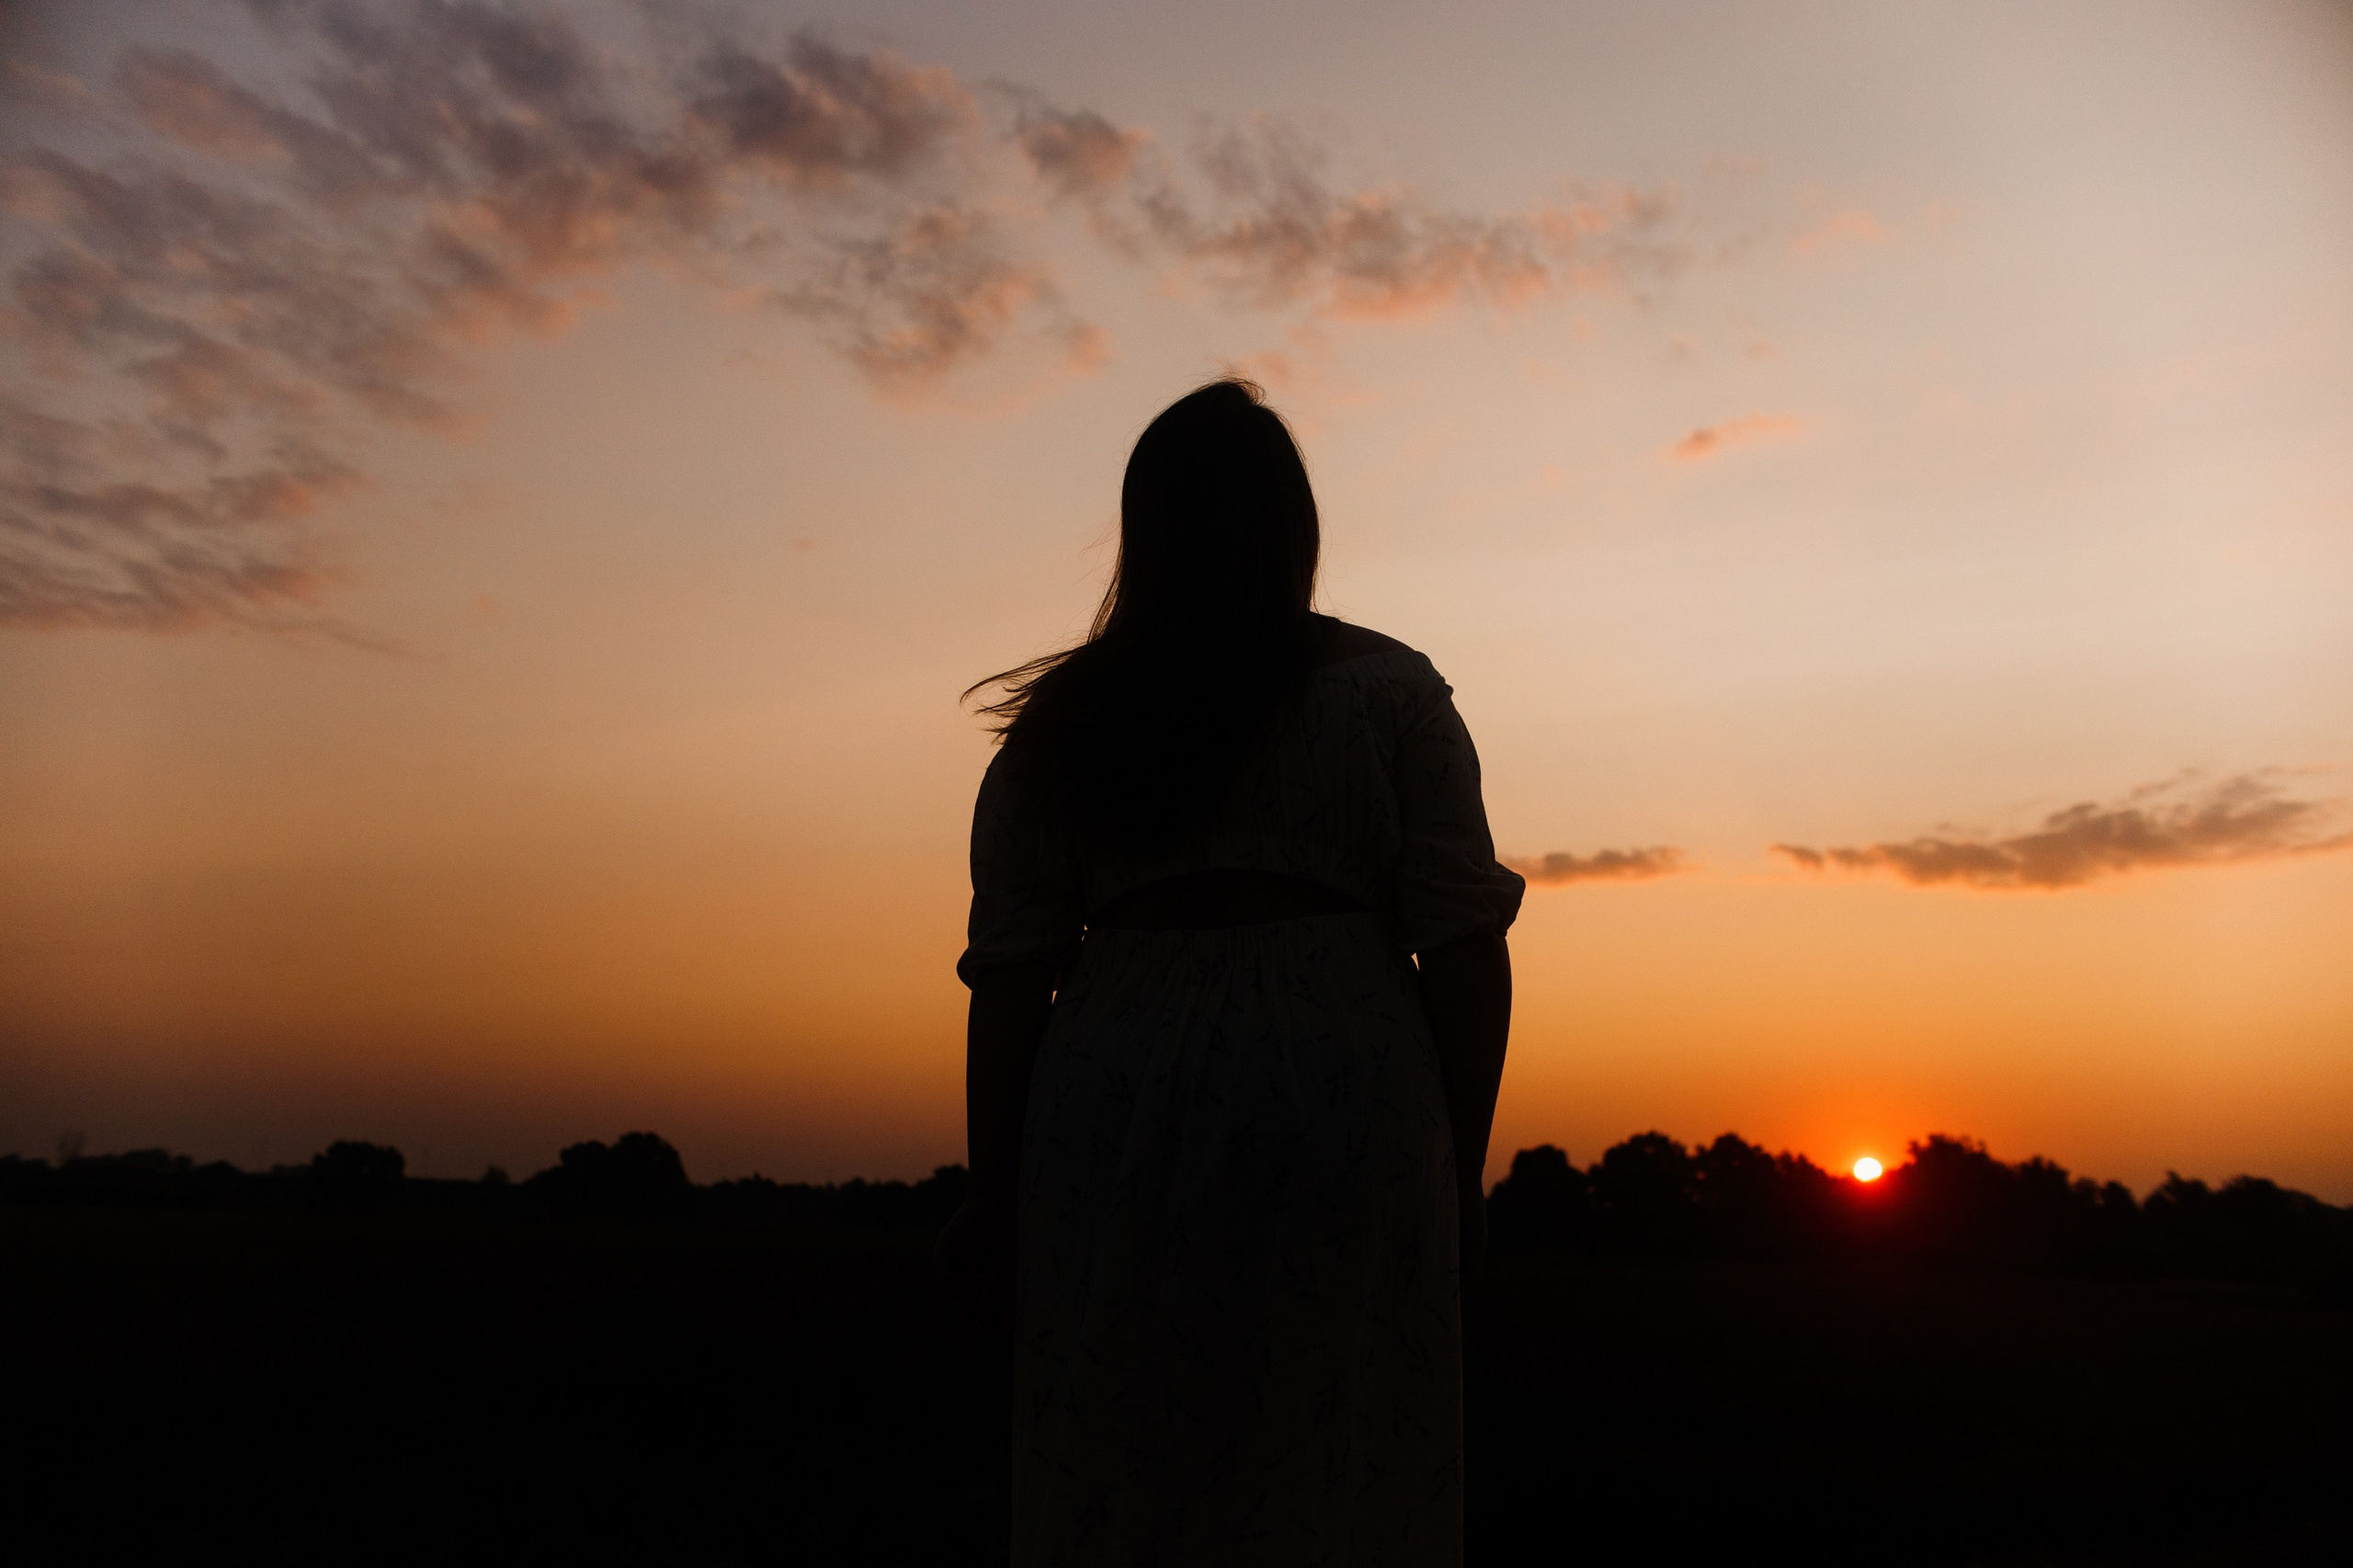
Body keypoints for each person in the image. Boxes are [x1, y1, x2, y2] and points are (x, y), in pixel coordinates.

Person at [938, 378, 1522, 1566]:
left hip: (1117, 1091)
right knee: (1344, 1455)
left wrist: (995, 1191)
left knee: (1127, 1452)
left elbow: (1010, 980)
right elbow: (1464, 946)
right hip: (1349, 1097)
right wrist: (1456, 1172)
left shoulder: (1065, 727)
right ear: (1295, 531)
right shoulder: (1390, 693)